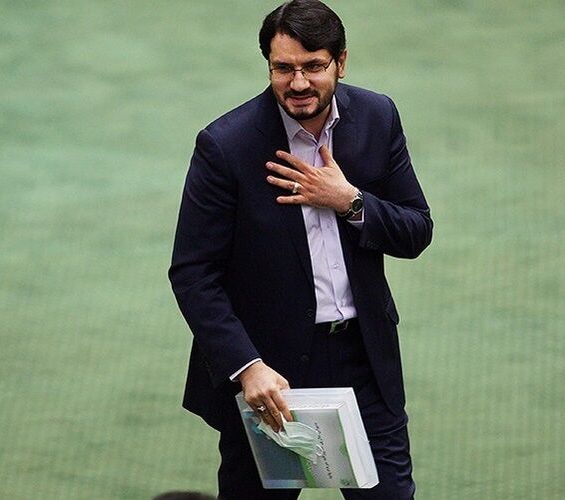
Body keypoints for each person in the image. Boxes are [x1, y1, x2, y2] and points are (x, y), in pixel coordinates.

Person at [168, 0, 432, 498]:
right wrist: (247, 367)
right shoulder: (226, 146)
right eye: (283, 68)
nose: (298, 82)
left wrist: (349, 201)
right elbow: (193, 273)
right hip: (269, 373)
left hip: (362, 359)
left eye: (313, 66)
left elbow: (416, 230)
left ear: (341, 62)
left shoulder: (377, 117)